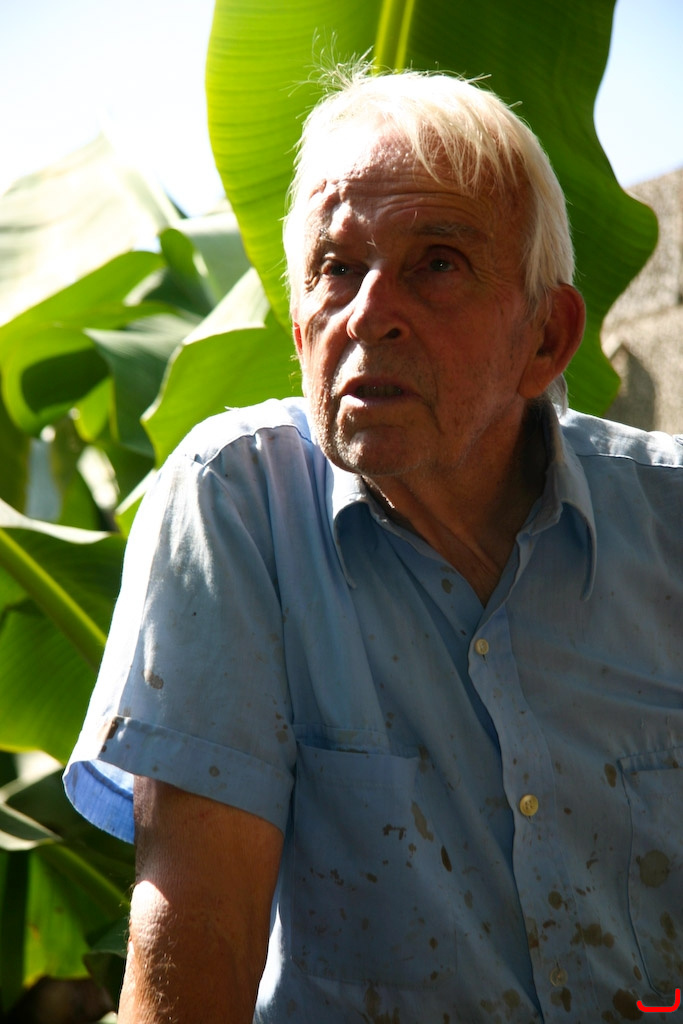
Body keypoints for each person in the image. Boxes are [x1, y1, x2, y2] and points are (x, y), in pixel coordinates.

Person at [64, 66, 683, 1023]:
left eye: (436, 263)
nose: (367, 312)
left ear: (547, 338)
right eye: (335, 268)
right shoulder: (238, 501)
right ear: (298, 328)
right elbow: (199, 934)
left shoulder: (668, 523)